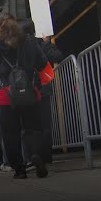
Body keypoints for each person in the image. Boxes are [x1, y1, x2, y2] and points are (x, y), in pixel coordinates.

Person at [0, 13, 49, 179]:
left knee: (10, 134)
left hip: (6, 96)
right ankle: (36, 155)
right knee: (34, 129)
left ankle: (19, 169)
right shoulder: (29, 42)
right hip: (30, 93)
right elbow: (42, 64)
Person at [20, 19, 63, 165]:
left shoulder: (19, 46)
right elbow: (57, 56)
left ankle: (30, 156)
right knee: (45, 124)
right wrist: (47, 43)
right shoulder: (39, 44)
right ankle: (46, 156)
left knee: (27, 126)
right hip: (43, 88)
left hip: (25, 91)